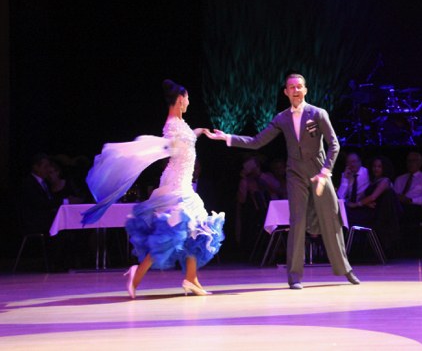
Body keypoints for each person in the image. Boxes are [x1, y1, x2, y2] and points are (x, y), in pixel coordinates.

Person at [207, 73, 359, 289]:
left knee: (331, 217)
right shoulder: (282, 118)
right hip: (295, 173)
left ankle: (345, 269)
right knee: (297, 221)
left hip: (320, 171)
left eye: (299, 86)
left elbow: (334, 144)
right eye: (291, 87)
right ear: (286, 92)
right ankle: (294, 275)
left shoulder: (318, 113)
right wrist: (228, 138)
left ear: (305, 90)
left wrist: (326, 172)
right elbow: (257, 141)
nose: (296, 90)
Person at [82, 80, 225, 298]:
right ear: (180, 99)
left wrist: (199, 131)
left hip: (183, 182)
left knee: (195, 228)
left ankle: (191, 278)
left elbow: (186, 139)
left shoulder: (180, 123)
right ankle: (136, 275)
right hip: (176, 183)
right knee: (172, 232)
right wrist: (172, 146)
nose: (189, 102)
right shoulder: (172, 125)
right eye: (187, 98)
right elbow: (171, 145)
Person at [347, 155, 402, 256]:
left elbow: (373, 197)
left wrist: (357, 204)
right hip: (369, 211)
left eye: (379, 166)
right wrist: (365, 202)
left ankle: (348, 250)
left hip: (376, 215)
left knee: (347, 215)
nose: (376, 169)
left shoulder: (385, 181)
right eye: (374, 166)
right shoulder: (373, 181)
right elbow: (362, 196)